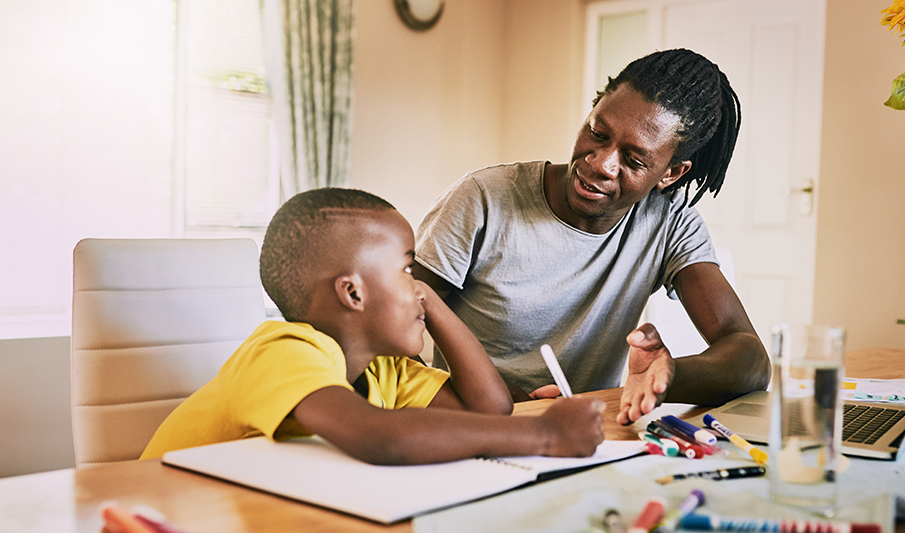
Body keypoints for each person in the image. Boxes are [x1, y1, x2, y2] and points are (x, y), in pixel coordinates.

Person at [413, 48, 771, 425]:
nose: (600, 163)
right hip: (475, 424)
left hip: (585, 436)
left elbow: (750, 360)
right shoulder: (483, 200)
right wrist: (503, 402)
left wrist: (668, 378)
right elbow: (382, 334)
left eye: (633, 160)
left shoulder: (670, 223)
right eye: (597, 133)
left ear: (671, 174)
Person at [139, 188, 605, 464]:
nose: (419, 285)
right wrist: (545, 436)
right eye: (407, 269)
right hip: (156, 522)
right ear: (353, 293)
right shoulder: (283, 350)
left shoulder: (384, 371)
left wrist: (427, 301)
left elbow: (489, 410)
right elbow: (381, 437)